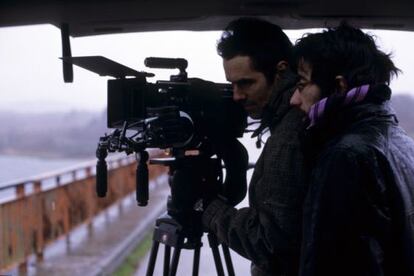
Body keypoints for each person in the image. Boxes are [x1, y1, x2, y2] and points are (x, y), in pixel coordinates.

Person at [290, 23, 414, 276]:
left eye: (302, 85)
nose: (294, 99)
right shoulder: (402, 142)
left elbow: (334, 263)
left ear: (339, 87)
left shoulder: (345, 156)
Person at [201, 17, 308, 276]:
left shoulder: (289, 137)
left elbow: (270, 245)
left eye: (246, 83)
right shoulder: (291, 122)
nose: (236, 96)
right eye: (232, 84)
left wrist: (207, 207)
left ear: (281, 72)